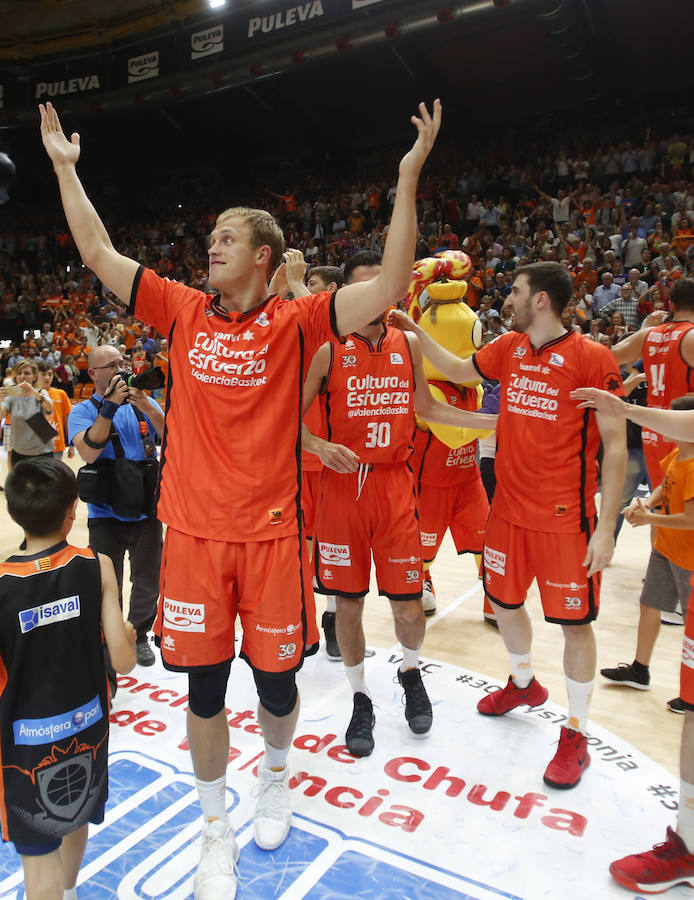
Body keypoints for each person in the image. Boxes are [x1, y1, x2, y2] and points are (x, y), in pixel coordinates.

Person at [40, 97, 442, 898]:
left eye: (227, 238)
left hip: (270, 541)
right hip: (191, 538)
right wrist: (64, 170)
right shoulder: (182, 309)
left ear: (265, 257)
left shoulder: (299, 321)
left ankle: (279, 777)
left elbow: (394, 281)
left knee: (278, 687)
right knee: (204, 689)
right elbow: (95, 250)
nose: (210, 246)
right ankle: (214, 826)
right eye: (211, 236)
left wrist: (406, 179)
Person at [389, 262, 626, 788]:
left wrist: (607, 527)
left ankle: (577, 732)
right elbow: (456, 367)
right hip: (508, 513)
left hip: (566, 520)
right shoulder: (509, 348)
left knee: (573, 624)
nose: (508, 298)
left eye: (516, 291)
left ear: (541, 299)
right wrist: (413, 333)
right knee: (504, 602)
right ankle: (524, 683)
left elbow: (615, 447)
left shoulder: (591, 357)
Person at [302, 250, 498, 757]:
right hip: (341, 490)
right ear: (345, 297)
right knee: (347, 602)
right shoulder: (328, 350)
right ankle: (360, 697)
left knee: (409, 602)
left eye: (381, 289)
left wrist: (498, 423)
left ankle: (411, 674)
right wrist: (320, 447)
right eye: (362, 290)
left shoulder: (408, 343)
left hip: (393, 485)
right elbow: (287, 420)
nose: (375, 301)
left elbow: (428, 406)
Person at [570, 387, 694, 895]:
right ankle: (687, 843)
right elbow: (667, 491)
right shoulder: (672, 460)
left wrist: (622, 409)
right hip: (669, 553)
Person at [0, 457, 136, 900]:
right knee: (75, 817)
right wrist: (130, 637)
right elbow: (124, 659)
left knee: (36, 863)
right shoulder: (97, 565)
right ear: (72, 510)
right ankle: (71, 889)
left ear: (13, 511)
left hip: (24, 745)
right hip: (87, 728)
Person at [67, 345, 165, 675]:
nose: (121, 370)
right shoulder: (81, 411)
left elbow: (172, 436)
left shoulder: (143, 403)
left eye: (122, 363)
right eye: (112, 365)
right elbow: (90, 453)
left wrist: (149, 409)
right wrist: (108, 407)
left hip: (146, 509)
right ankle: (111, 638)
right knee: (109, 583)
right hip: (105, 513)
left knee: (148, 580)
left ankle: (138, 633)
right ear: (93, 373)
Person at [600, 394, 694, 710]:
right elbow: (664, 487)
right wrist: (646, 504)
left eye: (670, 419)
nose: (662, 423)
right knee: (649, 606)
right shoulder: (679, 454)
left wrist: (648, 518)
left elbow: (691, 519)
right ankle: (639, 670)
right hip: (666, 549)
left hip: (688, 558)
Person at [0, 360, 54, 467]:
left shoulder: (41, 392)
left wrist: (33, 392)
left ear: (34, 376)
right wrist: (0, 399)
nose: (22, 376)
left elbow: (50, 408)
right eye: (19, 373)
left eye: (26, 373)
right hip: (19, 452)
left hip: (43, 452)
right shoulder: (11, 397)